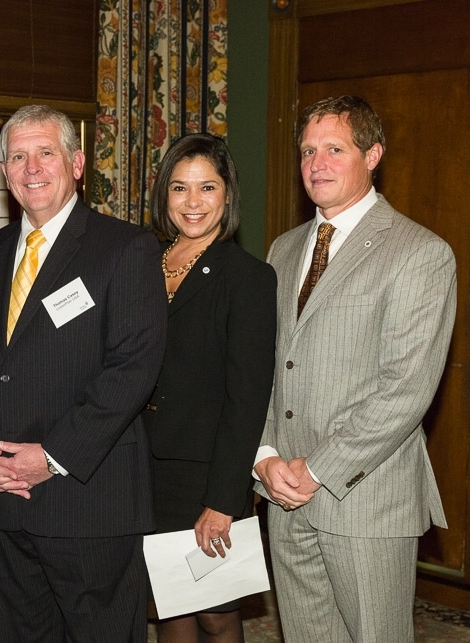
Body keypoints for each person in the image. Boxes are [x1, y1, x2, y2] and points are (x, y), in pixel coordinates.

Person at [0, 104, 167, 643]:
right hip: (2, 499)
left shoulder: (126, 248)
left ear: (77, 163)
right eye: (18, 156)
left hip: (89, 503)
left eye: (46, 153)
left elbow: (132, 369)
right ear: (4, 171)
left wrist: (50, 457)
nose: (32, 168)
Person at [253, 95, 456, 643]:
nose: (316, 164)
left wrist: (317, 469)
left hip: (366, 501)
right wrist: (265, 455)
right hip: (283, 496)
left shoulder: (419, 252)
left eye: (334, 149)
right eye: (307, 151)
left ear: (373, 155)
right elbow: (264, 366)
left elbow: (406, 389)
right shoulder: (283, 250)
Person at [143, 133, 276, 642]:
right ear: (164, 194)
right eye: (179, 188)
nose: (192, 202)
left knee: (215, 612)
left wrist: (223, 499)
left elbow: (248, 398)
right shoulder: (141, 262)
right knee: (169, 606)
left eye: (207, 187)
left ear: (227, 194)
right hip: (142, 466)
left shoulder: (247, 277)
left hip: (206, 471)